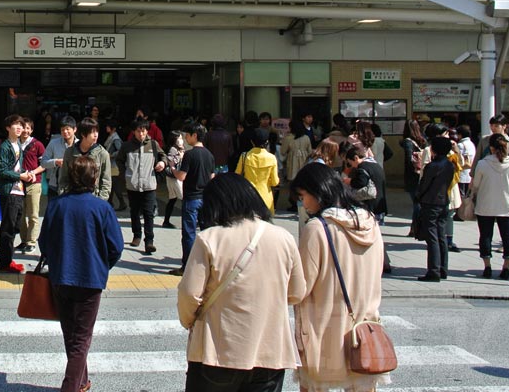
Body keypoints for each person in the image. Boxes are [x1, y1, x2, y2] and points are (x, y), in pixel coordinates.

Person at [177, 174, 306, 392]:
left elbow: (189, 294)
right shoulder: (284, 238)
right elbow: (297, 292)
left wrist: (189, 320)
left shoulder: (209, 238)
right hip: (270, 352)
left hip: (217, 351)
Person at [291, 162, 388, 392]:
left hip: (323, 331)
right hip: (364, 328)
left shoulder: (318, 228)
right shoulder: (370, 224)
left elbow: (301, 287)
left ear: (318, 192)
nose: (303, 203)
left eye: (303, 196)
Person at [39, 155, 123, 392]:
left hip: (61, 277)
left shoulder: (56, 205)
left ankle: (82, 381)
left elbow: (43, 243)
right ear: (94, 178)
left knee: (70, 334)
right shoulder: (102, 208)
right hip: (90, 279)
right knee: (81, 339)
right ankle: (71, 386)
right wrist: (101, 265)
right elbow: (116, 246)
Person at [470, 133, 509, 280]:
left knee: (486, 235)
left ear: (491, 148)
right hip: (506, 205)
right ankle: (506, 268)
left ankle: (487, 266)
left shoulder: (483, 164)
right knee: (508, 236)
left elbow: (476, 184)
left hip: (485, 204)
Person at [116, 118, 166, 255]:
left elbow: (163, 156)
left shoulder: (153, 145)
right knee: (134, 211)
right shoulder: (126, 146)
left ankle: (149, 240)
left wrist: (162, 163)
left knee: (149, 213)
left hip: (149, 184)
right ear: (134, 131)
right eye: (139, 131)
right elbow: (119, 160)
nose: (141, 134)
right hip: (132, 185)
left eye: (143, 131)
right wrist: (124, 174)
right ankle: (136, 235)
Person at [171, 121, 214, 277]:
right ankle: (208, 263)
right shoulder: (209, 155)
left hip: (191, 198)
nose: (186, 138)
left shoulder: (190, 154)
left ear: (194, 135)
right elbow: (212, 177)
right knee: (206, 232)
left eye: (187, 135)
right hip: (205, 198)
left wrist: (173, 169)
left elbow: (182, 176)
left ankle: (187, 266)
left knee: (189, 233)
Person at [415, 137, 454, 282]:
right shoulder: (449, 165)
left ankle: (434, 270)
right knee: (441, 236)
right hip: (443, 201)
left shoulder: (432, 166)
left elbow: (424, 185)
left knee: (432, 237)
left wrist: (418, 196)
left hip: (430, 202)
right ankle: (443, 268)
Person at [0, 115, 29, 273]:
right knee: (8, 228)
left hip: (18, 190)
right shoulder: (5, 147)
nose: (19, 128)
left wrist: (24, 174)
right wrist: (20, 176)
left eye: (21, 125)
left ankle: (9, 258)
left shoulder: (18, 146)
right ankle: (5, 263)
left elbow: (16, 168)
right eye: (15, 125)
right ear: (8, 128)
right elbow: (1, 170)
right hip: (9, 191)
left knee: (15, 225)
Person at [62, 118, 111, 201]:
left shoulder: (102, 154)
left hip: (93, 199)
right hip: (72, 198)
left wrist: (101, 201)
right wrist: (64, 196)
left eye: (97, 131)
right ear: (83, 134)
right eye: (92, 132)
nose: (96, 135)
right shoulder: (70, 152)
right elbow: (64, 178)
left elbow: (106, 181)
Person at [235, 128, 280, 215]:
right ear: (267, 142)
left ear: (252, 142)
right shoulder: (272, 158)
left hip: (248, 196)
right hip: (265, 198)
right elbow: (275, 182)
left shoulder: (245, 156)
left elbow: (237, 176)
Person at [17, 118, 46, 253]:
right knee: (21, 214)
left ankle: (32, 241)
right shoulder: (15, 144)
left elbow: (44, 164)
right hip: (19, 183)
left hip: (34, 182)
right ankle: (24, 241)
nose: (25, 130)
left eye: (28, 128)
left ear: (32, 130)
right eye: (23, 127)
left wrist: (33, 172)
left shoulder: (38, 145)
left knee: (33, 214)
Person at [401, 119, 426, 237]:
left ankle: (415, 227)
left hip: (412, 175)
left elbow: (408, 157)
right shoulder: (422, 141)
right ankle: (417, 227)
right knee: (419, 201)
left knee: (416, 203)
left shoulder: (408, 142)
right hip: (421, 174)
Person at [41, 116, 78, 199]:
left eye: (67, 129)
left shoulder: (80, 144)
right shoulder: (53, 143)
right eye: (62, 129)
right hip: (55, 185)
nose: (65, 131)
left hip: (75, 186)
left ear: (74, 129)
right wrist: (56, 162)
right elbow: (43, 162)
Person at [161, 130, 186, 229]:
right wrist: (180, 156)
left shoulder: (178, 148)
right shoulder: (173, 149)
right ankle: (186, 221)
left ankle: (166, 221)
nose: (181, 140)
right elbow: (170, 161)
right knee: (183, 198)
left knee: (172, 199)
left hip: (173, 177)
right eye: (179, 138)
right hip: (175, 177)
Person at [103, 119, 125, 212]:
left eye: (108, 126)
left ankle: (121, 203)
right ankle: (110, 202)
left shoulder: (115, 139)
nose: (106, 128)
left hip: (114, 165)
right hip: (111, 165)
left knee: (114, 185)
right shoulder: (111, 137)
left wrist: (111, 155)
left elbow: (120, 150)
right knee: (112, 184)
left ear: (112, 128)